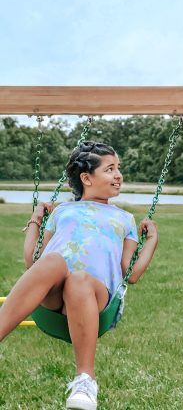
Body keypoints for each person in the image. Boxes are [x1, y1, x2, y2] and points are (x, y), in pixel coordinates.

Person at [0, 141, 158, 410]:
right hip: (51, 295)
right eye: (110, 169)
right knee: (52, 261)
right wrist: (36, 220)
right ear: (86, 178)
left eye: (118, 168)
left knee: (79, 279)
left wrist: (151, 238)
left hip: (95, 299)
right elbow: (33, 262)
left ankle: (86, 380)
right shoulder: (62, 211)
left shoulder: (124, 219)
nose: (118, 175)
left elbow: (129, 273)